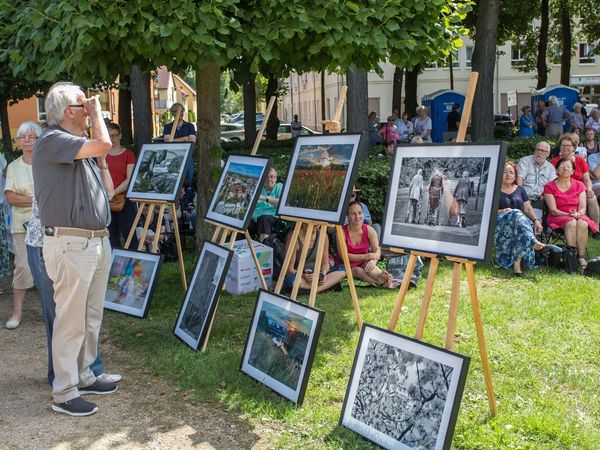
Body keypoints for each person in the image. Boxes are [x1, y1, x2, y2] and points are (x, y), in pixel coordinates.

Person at [33, 82, 118, 416]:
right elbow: (105, 143)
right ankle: (64, 391)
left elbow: (102, 163)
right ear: (69, 112)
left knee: (90, 316)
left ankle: (84, 374)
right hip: (71, 243)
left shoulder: (75, 145)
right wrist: (97, 115)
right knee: (70, 320)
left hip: (93, 241)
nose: (91, 107)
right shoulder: (52, 141)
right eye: (84, 104)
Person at [26, 197, 121, 385]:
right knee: (60, 315)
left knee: (83, 313)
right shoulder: (54, 168)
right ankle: (63, 378)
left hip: (76, 245)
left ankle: (88, 371)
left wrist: (101, 165)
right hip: (47, 243)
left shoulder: (85, 169)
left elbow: (107, 195)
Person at [4, 121, 41, 329]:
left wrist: (27, 198)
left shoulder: (46, 164)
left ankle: (53, 312)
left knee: (52, 269)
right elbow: (10, 198)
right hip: (22, 225)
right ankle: (17, 312)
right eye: (22, 137)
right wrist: (37, 200)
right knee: (23, 267)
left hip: (48, 223)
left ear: (38, 139)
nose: (26, 140)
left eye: (31, 136)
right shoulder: (13, 167)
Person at [495, 162, 555, 275]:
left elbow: (527, 208)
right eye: (504, 172)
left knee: (518, 226)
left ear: (515, 176)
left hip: (519, 225)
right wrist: (502, 211)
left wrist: (536, 221)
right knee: (516, 213)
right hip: (501, 223)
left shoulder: (520, 190)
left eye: (511, 172)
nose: (508, 175)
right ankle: (534, 242)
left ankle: (517, 268)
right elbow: (489, 211)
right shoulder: (494, 190)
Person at [544, 158, 598, 268]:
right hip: (557, 216)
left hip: (577, 215)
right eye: (562, 166)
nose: (566, 168)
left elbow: (583, 207)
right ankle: (571, 256)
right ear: (557, 170)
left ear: (573, 171)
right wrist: (569, 215)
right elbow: (553, 210)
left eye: (569, 166)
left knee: (583, 223)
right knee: (572, 222)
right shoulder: (549, 186)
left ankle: (581, 256)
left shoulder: (579, 185)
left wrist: (579, 214)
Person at [550, 133, 600, 238]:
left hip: (581, 190)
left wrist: (589, 188)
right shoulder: (554, 162)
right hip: (563, 191)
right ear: (560, 147)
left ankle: (596, 228)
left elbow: (587, 179)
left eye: (568, 145)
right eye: (563, 145)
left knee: (592, 198)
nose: (565, 148)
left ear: (574, 147)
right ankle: (564, 226)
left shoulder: (580, 160)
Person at [337, 201, 392, 287]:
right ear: (347, 216)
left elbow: (377, 249)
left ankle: (384, 278)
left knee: (370, 267)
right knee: (358, 271)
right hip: (346, 265)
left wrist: (374, 261)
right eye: (353, 214)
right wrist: (365, 256)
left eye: (359, 213)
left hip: (364, 261)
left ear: (363, 214)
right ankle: (378, 282)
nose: (357, 216)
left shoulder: (369, 230)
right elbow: (344, 257)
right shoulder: (341, 232)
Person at [282, 223, 346, 293]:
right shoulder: (294, 237)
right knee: (290, 281)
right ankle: (325, 287)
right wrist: (304, 276)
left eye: (316, 225)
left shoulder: (323, 236)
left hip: (316, 274)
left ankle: (310, 290)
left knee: (343, 269)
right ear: (303, 223)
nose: (314, 229)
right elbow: (289, 269)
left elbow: (325, 263)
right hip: (300, 275)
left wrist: (323, 274)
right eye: (310, 225)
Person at [105, 123, 138, 249]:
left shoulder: (128, 154)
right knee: (111, 237)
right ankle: (115, 267)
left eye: (114, 135)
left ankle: (134, 266)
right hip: (107, 201)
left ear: (120, 136)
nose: (112, 139)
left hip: (125, 199)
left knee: (129, 235)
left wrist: (113, 192)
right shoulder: (102, 155)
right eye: (109, 136)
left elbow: (130, 179)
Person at [163, 103, 196, 185]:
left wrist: (174, 139)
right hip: (173, 155)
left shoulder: (189, 126)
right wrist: (185, 138)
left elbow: (192, 140)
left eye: (181, 111)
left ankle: (188, 192)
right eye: (176, 111)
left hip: (187, 155)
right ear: (172, 113)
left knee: (189, 175)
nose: (179, 113)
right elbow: (167, 140)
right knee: (173, 177)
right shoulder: (168, 127)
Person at [249, 167, 284, 242]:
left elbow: (281, 203)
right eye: (266, 177)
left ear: (276, 178)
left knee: (264, 219)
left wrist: (265, 198)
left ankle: (264, 249)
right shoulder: (259, 188)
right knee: (245, 223)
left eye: (271, 177)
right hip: (255, 219)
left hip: (274, 219)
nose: (269, 179)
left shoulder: (280, 187)